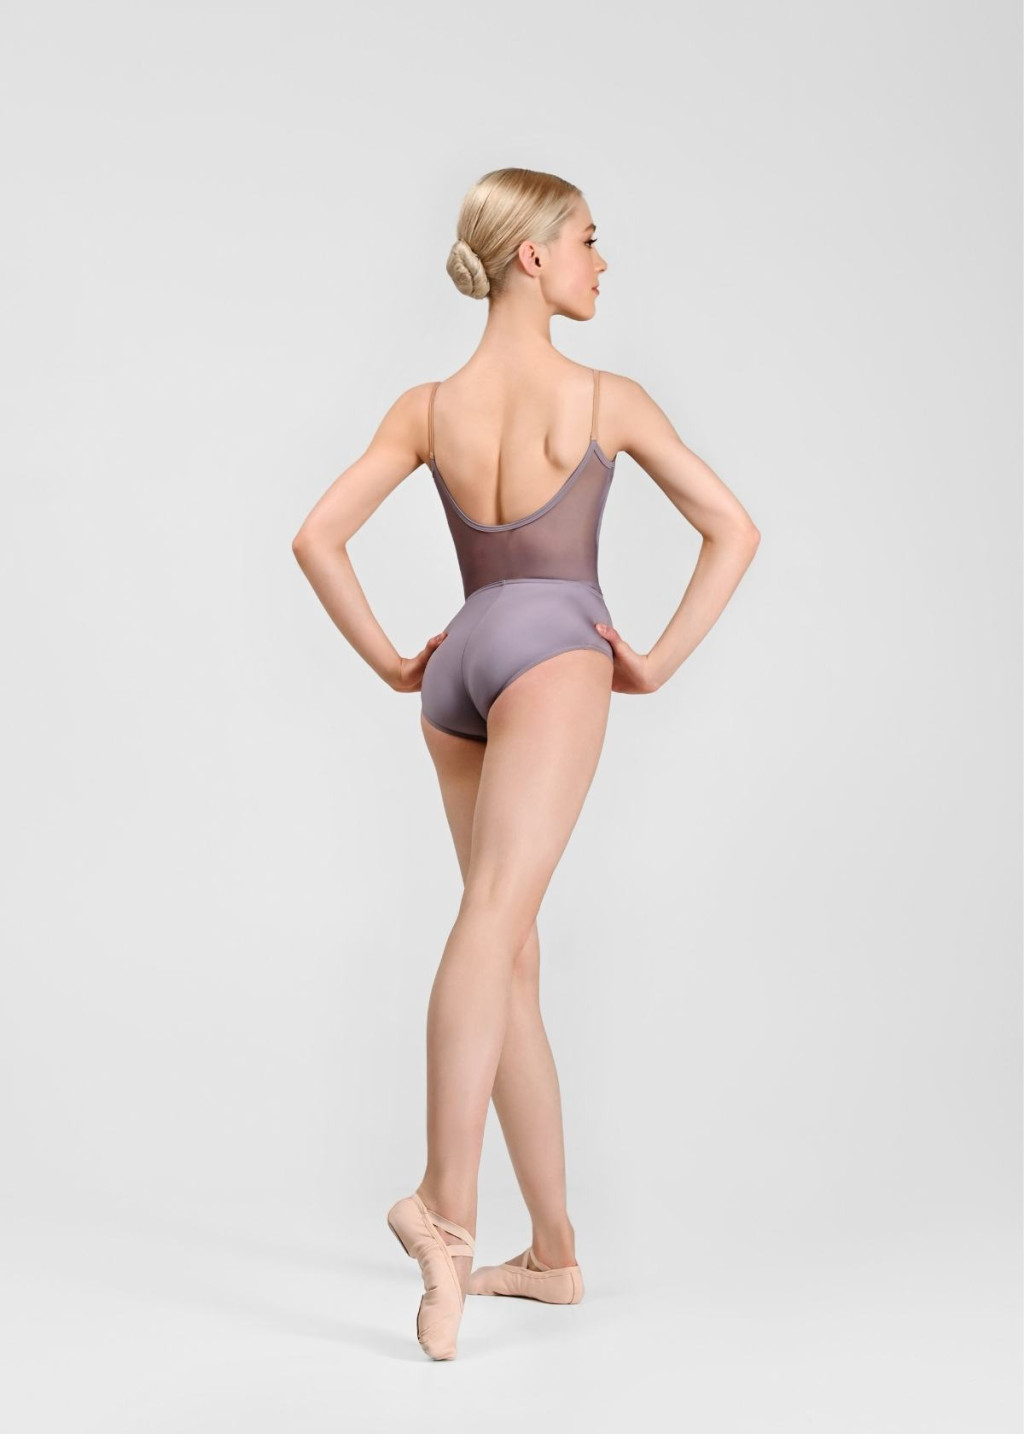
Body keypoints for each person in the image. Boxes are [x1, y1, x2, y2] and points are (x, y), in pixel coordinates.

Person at [291, 167, 760, 1360]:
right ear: (533, 258)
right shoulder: (604, 399)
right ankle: (445, 1212)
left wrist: (394, 662)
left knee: (509, 952)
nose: (604, 262)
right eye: (589, 240)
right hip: (555, 651)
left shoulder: (426, 407)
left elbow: (316, 536)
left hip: (459, 666)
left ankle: (550, 1255)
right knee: (496, 921)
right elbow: (733, 527)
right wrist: (650, 661)